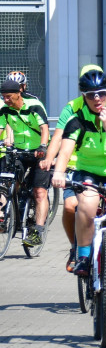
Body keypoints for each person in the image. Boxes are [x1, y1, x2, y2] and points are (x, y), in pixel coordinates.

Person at [51, 70, 106, 316]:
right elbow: (66, 151)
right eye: (91, 95)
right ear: (84, 96)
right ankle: (83, 255)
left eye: (101, 94)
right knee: (86, 208)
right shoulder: (76, 119)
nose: (97, 99)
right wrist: (58, 172)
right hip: (88, 173)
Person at [0, 78, 49, 245]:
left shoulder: (34, 105)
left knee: (39, 192)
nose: (5, 100)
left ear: (18, 93)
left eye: (8, 97)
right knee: (10, 184)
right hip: (19, 151)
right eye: (3, 97)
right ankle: (11, 215)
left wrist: (42, 147)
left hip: (38, 153)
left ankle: (38, 231)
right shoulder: (5, 110)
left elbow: (44, 128)